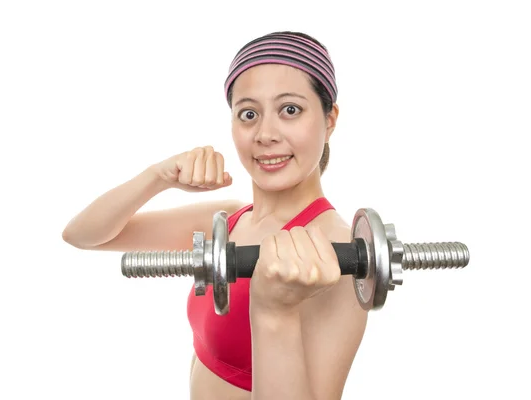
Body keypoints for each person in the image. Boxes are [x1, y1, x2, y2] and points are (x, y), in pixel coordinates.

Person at [62, 31, 368, 400]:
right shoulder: (228, 220)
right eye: (249, 114)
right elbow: (83, 235)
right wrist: (157, 177)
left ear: (329, 119)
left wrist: (276, 312)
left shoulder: (339, 258)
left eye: (290, 109)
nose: (265, 134)